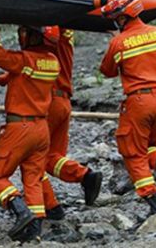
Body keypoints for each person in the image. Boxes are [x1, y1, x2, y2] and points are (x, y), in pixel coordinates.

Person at [99, 0, 156, 216]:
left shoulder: (119, 42)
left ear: (123, 17)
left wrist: (114, 40)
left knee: (133, 153)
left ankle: (155, 206)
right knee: (149, 146)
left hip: (139, 102)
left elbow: (107, 71)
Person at [0, 24, 59, 242]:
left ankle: (20, 210)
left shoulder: (24, 59)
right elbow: (23, 73)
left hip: (20, 128)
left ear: (35, 36)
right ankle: (34, 230)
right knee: (33, 178)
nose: (21, 35)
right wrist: (0, 80)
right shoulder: (53, 62)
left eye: (25, 32)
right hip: (41, 129)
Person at [38, 27, 102, 218]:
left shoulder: (50, 34)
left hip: (48, 102)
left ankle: (51, 207)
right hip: (63, 101)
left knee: (32, 158)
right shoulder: (65, 32)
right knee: (52, 157)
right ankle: (85, 175)